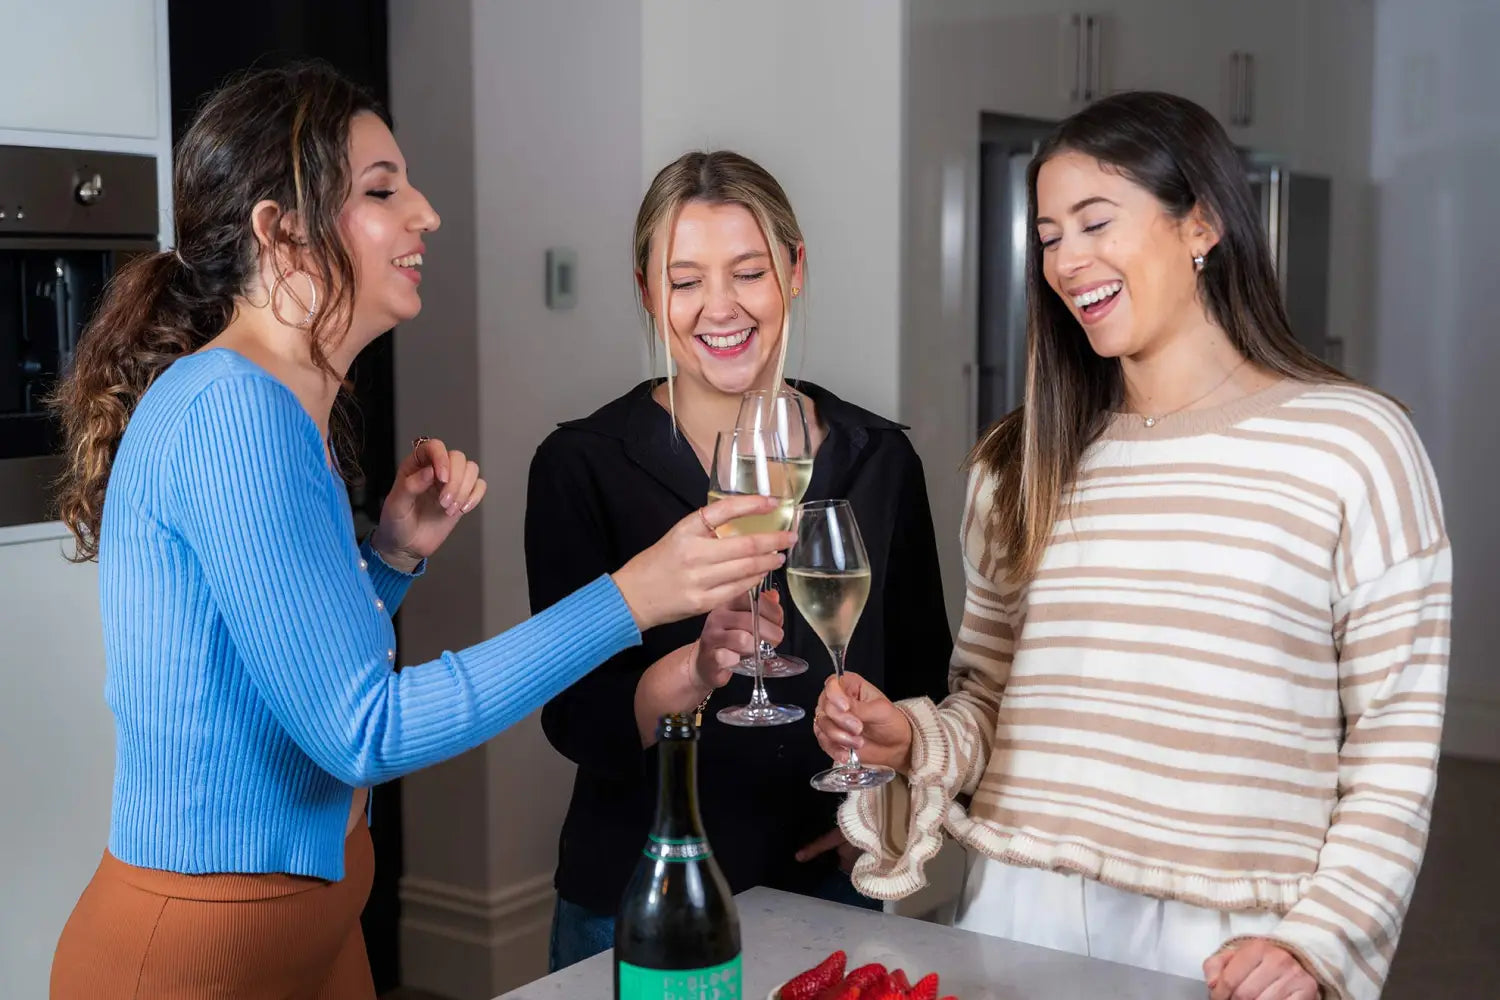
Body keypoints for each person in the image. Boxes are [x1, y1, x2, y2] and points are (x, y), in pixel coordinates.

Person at [46, 64, 792, 1000]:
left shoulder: (275, 409)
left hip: (309, 926)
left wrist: (389, 558)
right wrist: (634, 595)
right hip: (198, 953)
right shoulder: (231, 411)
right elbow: (363, 729)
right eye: (382, 190)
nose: (426, 214)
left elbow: (280, 672)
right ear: (282, 232)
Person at [813, 91, 1450, 1000]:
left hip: (1232, 937)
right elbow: (989, 701)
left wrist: (1320, 939)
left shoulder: (1355, 446)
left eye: (1094, 222)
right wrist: (909, 736)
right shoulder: (1020, 460)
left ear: (1202, 223)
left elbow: (1394, 741)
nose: (1068, 260)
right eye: (1047, 236)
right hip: (1022, 912)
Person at [525, 150, 953, 971]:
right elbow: (575, 719)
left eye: (748, 271)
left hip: (825, 885)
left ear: (794, 271)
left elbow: (921, 678)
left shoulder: (879, 459)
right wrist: (696, 667)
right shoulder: (581, 465)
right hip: (637, 894)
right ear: (647, 291)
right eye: (683, 280)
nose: (718, 307)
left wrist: (876, 806)